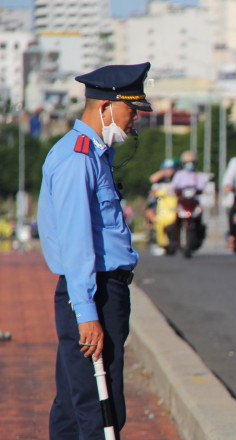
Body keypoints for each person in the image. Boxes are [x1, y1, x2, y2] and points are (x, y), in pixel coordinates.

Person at [37, 62, 152, 439]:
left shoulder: (94, 154)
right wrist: (87, 313)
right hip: (94, 293)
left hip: (98, 291)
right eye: (131, 109)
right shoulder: (78, 159)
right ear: (105, 107)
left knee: (75, 402)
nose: (135, 118)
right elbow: (76, 243)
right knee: (99, 410)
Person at [170, 150, 207, 248]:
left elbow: (202, 187)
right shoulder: (179, 175)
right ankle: (175, 237)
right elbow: (173, 187)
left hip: (194, 201)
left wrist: (204, 191)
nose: (189, 165)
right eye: (187, 163)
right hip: (182, 201)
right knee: (176, 218)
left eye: (192, 162)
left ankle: (199, 236)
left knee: (199, 217)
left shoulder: (198, 175)